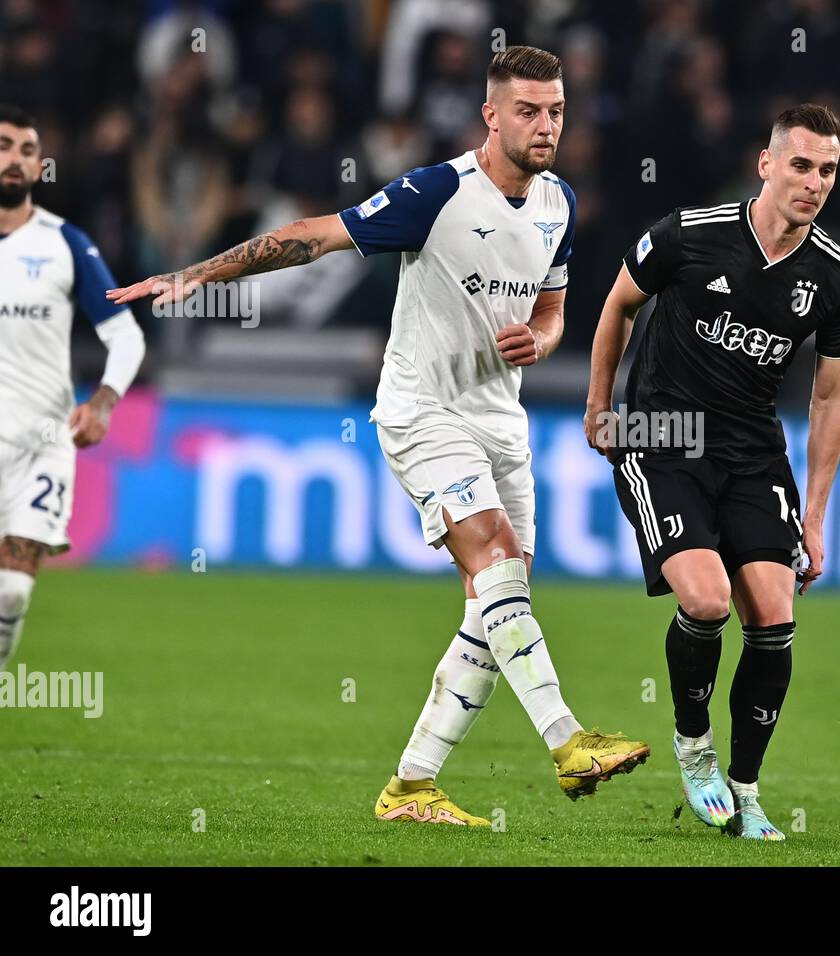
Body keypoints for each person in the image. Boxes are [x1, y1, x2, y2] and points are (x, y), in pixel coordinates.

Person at [107, 47, 648, 827]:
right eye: (527, 110)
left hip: (501, 417)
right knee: (494, 559)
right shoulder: (438, 192)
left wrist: (543, 335)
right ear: (491, 115)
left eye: (556, 110)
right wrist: (193, 276)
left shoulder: (560, 203)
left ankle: (412, 786)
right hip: (423, 411)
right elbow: (310, 235)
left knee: (497, 603)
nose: (545, 125)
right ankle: (567, 739)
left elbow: (555, 306)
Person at [585, 104, 840, 840]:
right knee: (707, 601)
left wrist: (815, 517)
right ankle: (694, 745)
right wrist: (598, 406)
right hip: (659, 436)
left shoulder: (836, 279)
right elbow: (617, 306)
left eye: (828, 170)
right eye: (800, 165)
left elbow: (831, 396)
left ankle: (746, 789)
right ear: (767, 164)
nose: (813, 182)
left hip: (752, 451)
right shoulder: (689, 234)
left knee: (774, 616)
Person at [0, 104, 147, 673]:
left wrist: (104, 403)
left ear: (40, 164)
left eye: (28, 150)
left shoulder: (64, 243)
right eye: (5, 145)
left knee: (11, 594)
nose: (15, 160)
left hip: (43, 440)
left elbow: (127, 336)